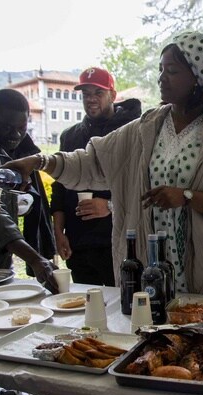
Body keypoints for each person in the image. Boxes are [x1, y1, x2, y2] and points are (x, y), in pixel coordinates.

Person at [2, 31, 203, 297]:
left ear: (197, 77)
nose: (161, 77)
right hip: (150, 263)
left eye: (172, 70)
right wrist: (38, 161)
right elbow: (91, 162)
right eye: (161, 69)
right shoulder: (145, 128)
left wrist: (188, 197)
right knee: (151, 331)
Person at [51, 67, 142, 286]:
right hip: (78, 243)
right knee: (86, 308)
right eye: (85, 94)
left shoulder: (132, 131)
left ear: (112, 94)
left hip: (118, 240)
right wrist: (58, 232)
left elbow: (141, 185)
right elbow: (60, 187)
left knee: (122, 305)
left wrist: (109, 205)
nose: (91, 99)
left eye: (98, 93)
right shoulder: (70, 136)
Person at [0, 89, 58, 293]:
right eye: (7, 127)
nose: (15, 135)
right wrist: (35, 259)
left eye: (22, 127)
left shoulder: (12, 141)